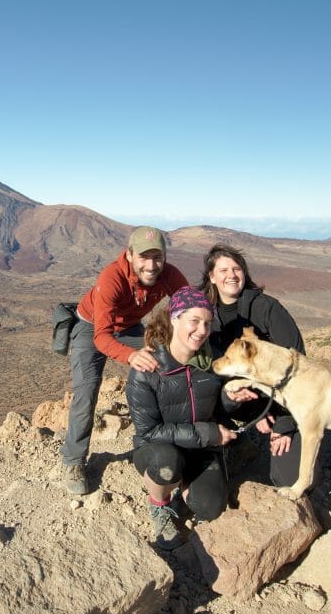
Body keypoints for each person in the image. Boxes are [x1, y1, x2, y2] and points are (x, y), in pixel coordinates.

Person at [61, 226, 189, 495]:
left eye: (157, 257)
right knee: (86, 392)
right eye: (144, 257)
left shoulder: (169, 274)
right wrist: (131, 355)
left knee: (164, 366)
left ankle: (162, 443)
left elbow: (188, 304)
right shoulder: (112, 277)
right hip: (91, 328)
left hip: (130, 327)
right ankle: (73, 460)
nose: (151, 265)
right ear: (129, 255)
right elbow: (102, 338)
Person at [127, 286, 238, 548]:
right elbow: (149, 431)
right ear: (175, 318)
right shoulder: (148, 369)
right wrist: (207, 434)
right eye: (194, 321)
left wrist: (231, 400)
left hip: (199, 449)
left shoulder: (211, 363)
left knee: (210, 507)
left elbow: (217, 410)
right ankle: (159, 504)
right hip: (158, 448)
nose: (202, 330)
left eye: (207, 323)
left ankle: (186, 488)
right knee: (167, 462)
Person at [199, 243, 305, 488]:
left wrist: (284, 422)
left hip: (282, 402)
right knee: (222, 394)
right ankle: (225, 444)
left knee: (290, 480)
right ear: (212, 277)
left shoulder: (267, 309)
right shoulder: (204, 315)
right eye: (223, 270)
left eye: (236, 269)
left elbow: (297, 367)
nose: (231, 275)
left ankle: (296, 430)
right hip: (234, 399)